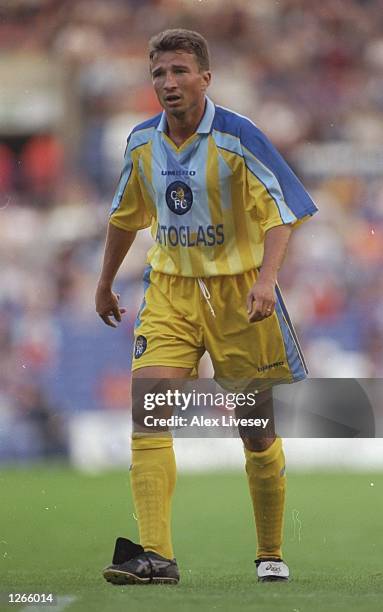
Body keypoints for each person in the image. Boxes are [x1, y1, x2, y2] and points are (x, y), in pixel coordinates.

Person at [95, 28, 318, 585]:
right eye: (158, 74)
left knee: (255, 430)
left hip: (240, 297)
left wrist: (268, 280)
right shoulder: (142, 141)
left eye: (178, 72)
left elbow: (282, 212)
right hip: (170, 292)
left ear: (205, 78)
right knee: (149, 414)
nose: (168, 83)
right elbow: (125, 216)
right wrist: (104, 283)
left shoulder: (240, 136)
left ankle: (270, 551)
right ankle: (157, 556)